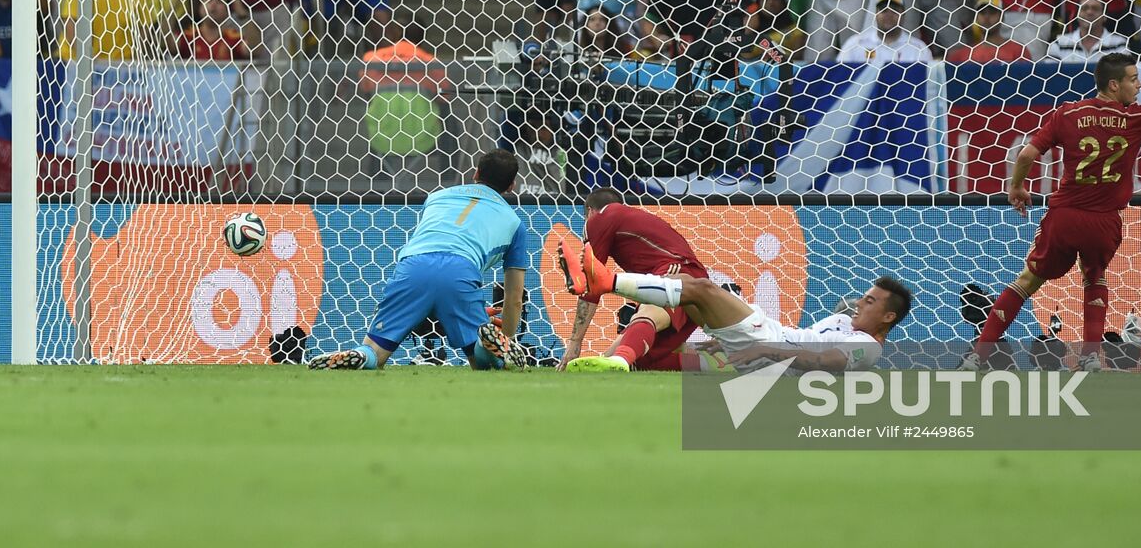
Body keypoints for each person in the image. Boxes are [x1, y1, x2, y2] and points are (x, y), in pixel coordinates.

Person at [965, 42, 1141, 372]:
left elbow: (1024, 155)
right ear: (1113, 85)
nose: (1139, 86)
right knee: (1095, 279)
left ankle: (978, 356)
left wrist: (1017, 187)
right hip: (1104, 222)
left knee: (1026, 282)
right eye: (1134, 80)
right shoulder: (1136, 118)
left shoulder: (1068, 113)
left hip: (1064, 218)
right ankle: (1090, 355)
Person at [309, 149, 532, 371]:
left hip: (413, 264)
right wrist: (508, 339)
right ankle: (494, 348)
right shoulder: (514, 223)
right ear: (512, 185)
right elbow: (513, 297)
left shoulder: (437, 197)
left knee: (375, 353)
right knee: (482, 362)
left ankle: (361, 354)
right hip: (460, 271)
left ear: (475, 173)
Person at [567, 238, 912, 371]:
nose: (859, 304)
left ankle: (606, 281)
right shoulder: (848, 326)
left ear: (888, 316)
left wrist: (768, 349)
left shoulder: (868, 347)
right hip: (768, 340)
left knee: (702, 289)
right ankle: (617, 359)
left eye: (869, 302)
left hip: (767, 348)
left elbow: (825, 362)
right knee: (689, 289)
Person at [555, 188, 712, 372]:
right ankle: (700, 363)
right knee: (625, 357)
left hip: (677, 272)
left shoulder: (599, 217)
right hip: (689, 277)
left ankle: (620, 360)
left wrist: (575, 342)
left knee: (646, 315)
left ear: (589, 211)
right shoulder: (629, 219)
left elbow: (591, 286)